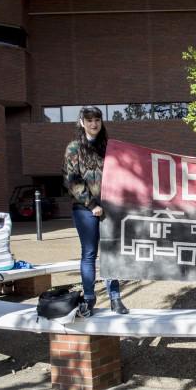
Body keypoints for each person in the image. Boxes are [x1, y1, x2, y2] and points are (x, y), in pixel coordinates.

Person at [63, 106, 128, 315]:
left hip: (109, 209)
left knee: (111, 252)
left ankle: (115, 298)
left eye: (97, 119)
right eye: (89, 120)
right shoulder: (74, 148)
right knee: (89, 253)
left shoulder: (109, 147)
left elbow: (120, 175)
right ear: (82, 122)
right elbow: (71, 180)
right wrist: (92, 204)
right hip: (85, 209)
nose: (93, 124)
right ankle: (89, 298)